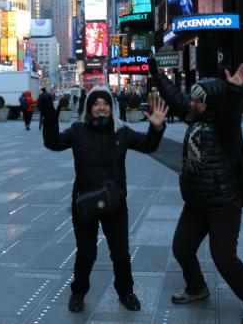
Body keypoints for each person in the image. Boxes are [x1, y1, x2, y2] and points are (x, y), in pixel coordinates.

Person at [148, 60, 243, 324]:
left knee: (223, 257)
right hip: (196, 202)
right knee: (182, 248)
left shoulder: (226, 131)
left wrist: (235, 91)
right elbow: (176, 97)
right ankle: (196, 288)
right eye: (194, 99)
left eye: (199, 100)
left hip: (223, 203)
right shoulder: (194, 115)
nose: (193, 103)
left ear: (212, 102)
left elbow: (232, 115)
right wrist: (156, 73)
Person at [42, 85, 169, 314]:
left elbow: (149, 145)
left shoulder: (122, 132)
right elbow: (53, 143)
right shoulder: (77, 131)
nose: (101, 107)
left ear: (111, 107)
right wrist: (50, 121)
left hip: (114, 203)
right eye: (96, 103)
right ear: (89, 108)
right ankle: (78, 292)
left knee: (120, 253)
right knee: (87, 253)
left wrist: (156, 127)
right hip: (85, 202)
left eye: (105, 103)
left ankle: (126, 292)